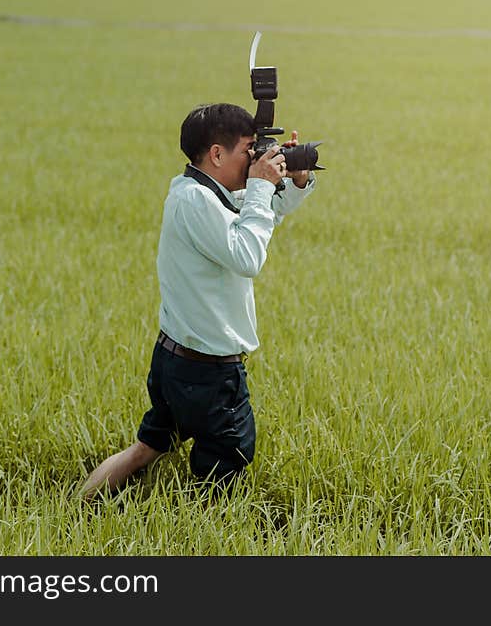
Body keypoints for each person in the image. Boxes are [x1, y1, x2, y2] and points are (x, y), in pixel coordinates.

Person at [80, 102, 317, 500]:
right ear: (217, 154)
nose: (254, 159)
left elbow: (264, 217)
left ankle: (77, 507)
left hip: (178, 361)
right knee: (226, 467)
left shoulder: (206, 192)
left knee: (147, 447)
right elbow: (248, 257)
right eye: (248, 151)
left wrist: (292, 181)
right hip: (207, 373)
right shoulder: (196, 202)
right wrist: (260, 185)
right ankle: (203, 534)